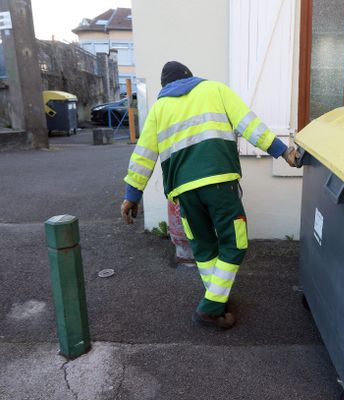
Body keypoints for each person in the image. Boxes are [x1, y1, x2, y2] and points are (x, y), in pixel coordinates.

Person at [120, 61, 298, 330]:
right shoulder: (215, 90)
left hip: (183, 193)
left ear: (165, 86)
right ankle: (211, 307)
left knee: (203, 246)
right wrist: (283, 152)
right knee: (235, 243)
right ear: (191, 77)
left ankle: (217, 299)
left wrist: (132, 195)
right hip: (219, 183)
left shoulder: (159, 108)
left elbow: (143, 154)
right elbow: (250, 125)